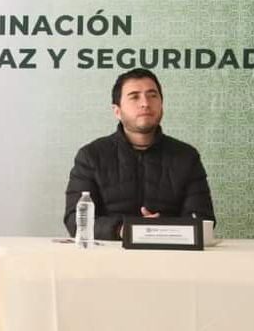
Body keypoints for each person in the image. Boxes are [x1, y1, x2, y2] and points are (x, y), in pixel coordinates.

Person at [64, 68, 214, 240]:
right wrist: (124, 229)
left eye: (152, 95)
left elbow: (203, 219)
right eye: (134, 97)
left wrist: (162, 228)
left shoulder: (186, 157)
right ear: (117, 111)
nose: (145, 103)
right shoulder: (91, 156)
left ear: (161, 104)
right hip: (110, 252)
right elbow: (75, 220)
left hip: (170, 252)